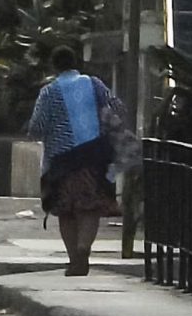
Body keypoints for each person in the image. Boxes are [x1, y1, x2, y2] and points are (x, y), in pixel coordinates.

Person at [27, 45, 125, 276]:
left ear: (54, 66)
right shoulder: (95, 84)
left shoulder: (49, 92)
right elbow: (118, 108)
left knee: (66, 211)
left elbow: (36, 128)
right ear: (76, 63)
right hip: (95, 158)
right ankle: (84, 249)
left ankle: (73, 259)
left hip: (62, 162)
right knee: (90, 208)